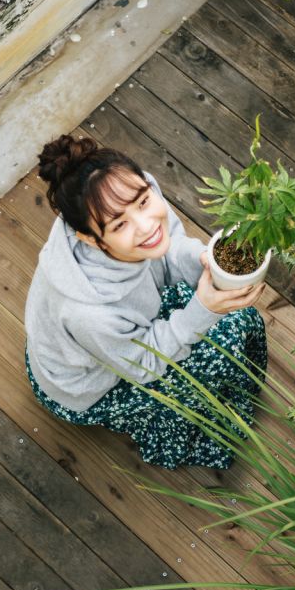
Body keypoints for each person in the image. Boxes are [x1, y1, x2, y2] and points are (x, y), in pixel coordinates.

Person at [23, 135, 268, 470]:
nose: (146, 225)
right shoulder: (88, 312)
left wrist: (202, 260)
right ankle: (182, 438)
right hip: (86, 382)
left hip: (120, 333)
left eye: (142, 201)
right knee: (214, 350)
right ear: (89, 239)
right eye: (120, 224)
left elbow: (168, 247)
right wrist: (203, 311)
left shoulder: (128, 193)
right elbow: (141, 363)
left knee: (230, 319)